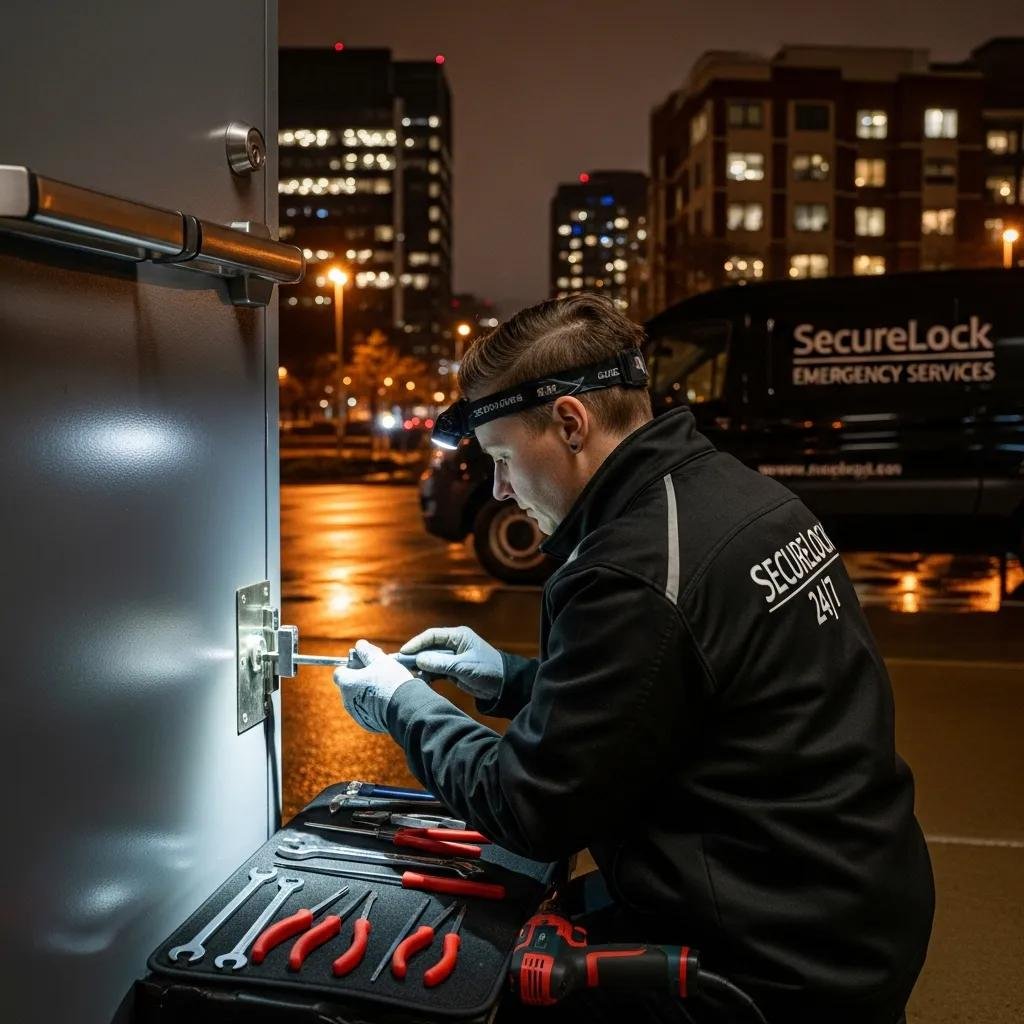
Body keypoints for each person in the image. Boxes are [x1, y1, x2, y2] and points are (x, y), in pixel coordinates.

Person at [333, 293, 934, 1024]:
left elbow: (529, 806)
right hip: (852, 908)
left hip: (767, 958)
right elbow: (674, 692)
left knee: (480, 998)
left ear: (569, 423)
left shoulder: (631, 568)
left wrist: (403, 703)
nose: (497, 488)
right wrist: (512, 679)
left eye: (500, 458)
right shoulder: (735, 493)